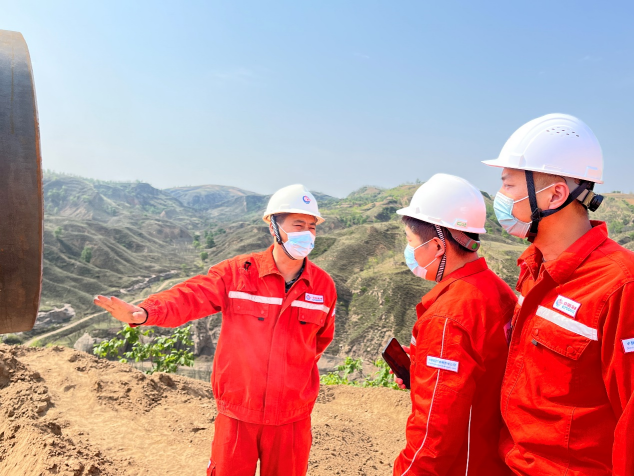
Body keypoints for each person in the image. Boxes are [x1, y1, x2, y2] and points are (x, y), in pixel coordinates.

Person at [93, 184, 337, 476]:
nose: (307, 234)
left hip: (292, 418)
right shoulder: (237, 273)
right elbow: (190, 296)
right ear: (274, 226)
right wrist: (145, 312)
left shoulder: (323, 287)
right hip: (238, 412)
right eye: (298, 225)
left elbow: (318, 342)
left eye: (312, 227)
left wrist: (291, 373)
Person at [483, 113, 634, 476]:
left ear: (555, 194)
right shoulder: (534, 266)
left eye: (509, 185)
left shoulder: (619, 286)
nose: (501, 198)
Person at [392, 173, 517, 475]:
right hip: (493, 458)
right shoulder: (496, 289)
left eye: (410, 242)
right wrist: (423, 368)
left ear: (437, 246)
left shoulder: (447, 318)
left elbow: (433, 434)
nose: (409, 252)